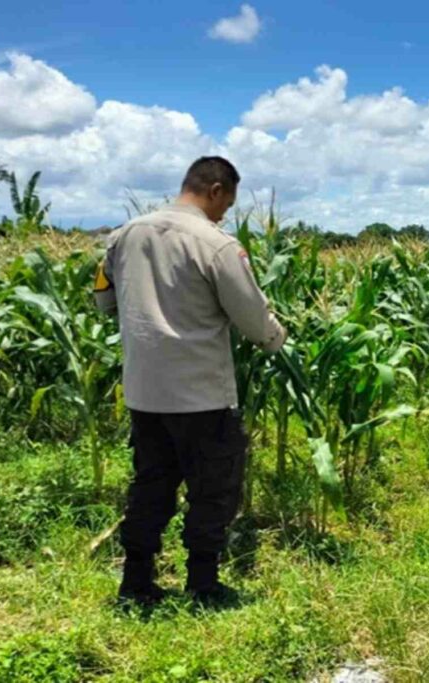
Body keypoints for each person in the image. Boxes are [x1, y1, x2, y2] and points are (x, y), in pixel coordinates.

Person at [94, 156, 287, 607]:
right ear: (216, 190)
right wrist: (278, 340)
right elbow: (252, 317)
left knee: (150, 485)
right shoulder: (215, 244)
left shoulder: (124, 236)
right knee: (213, 489)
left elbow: (103, 301)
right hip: (200, 394)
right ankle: (202, 585)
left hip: (144, 392)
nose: (224, 214)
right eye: (227, 204)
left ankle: (136, 583)